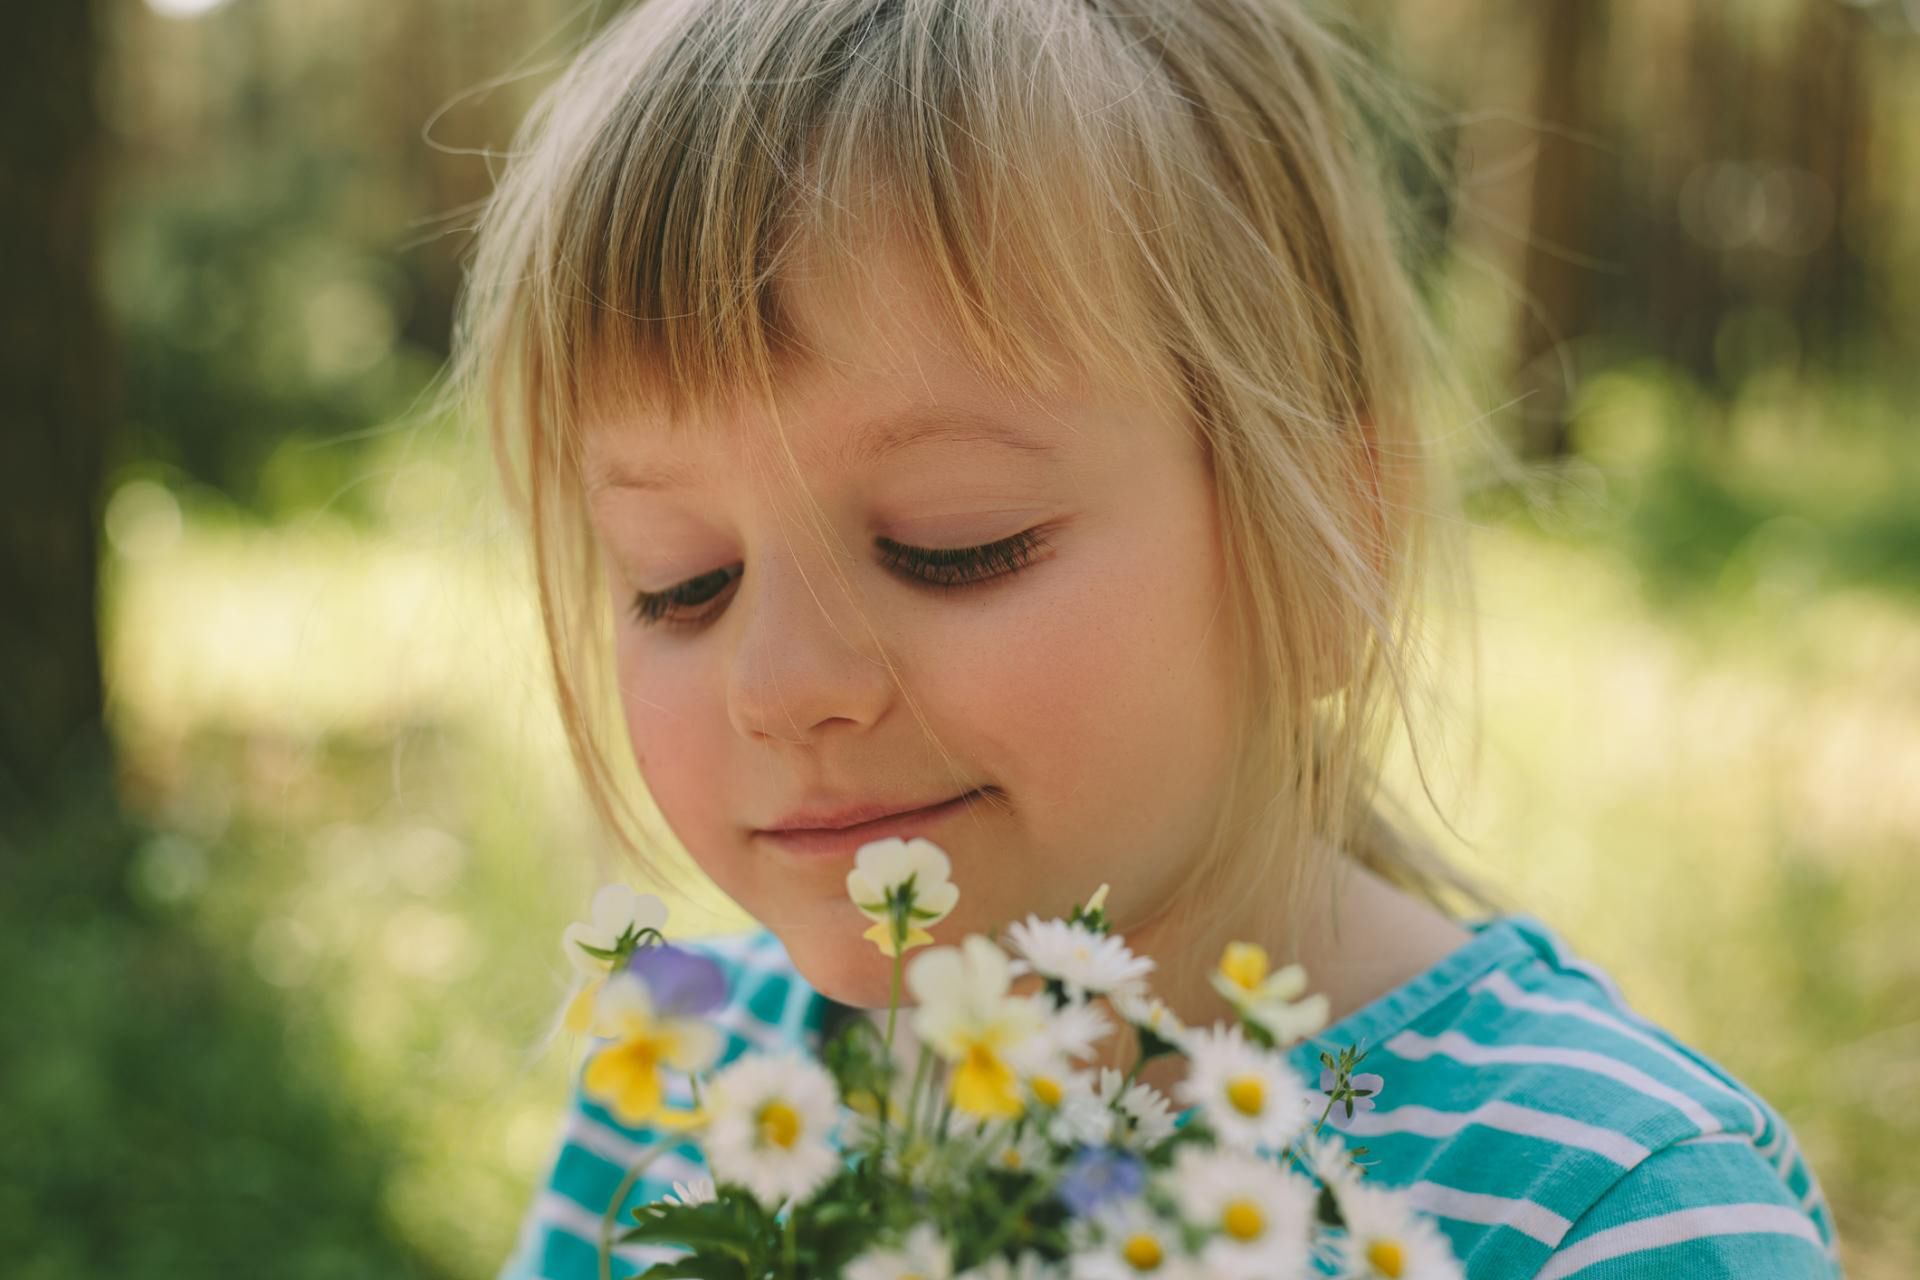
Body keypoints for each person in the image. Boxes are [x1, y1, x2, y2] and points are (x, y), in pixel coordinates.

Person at [441, 1, 1842, 1275]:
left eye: (956, 543)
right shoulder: (688, 1093)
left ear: (1337, 541)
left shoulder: (1605, 1211)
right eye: (679, 581)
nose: (785, 686)